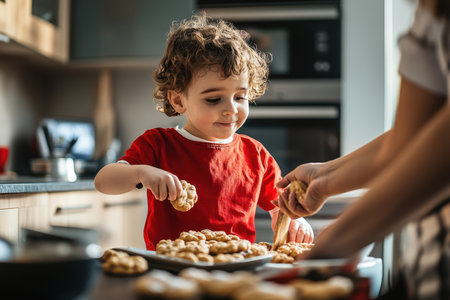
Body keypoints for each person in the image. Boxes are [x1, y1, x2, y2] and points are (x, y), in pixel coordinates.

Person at [275, 0, 449, 299]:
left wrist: (341, 239)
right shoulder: (431, 12)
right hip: (427, 269)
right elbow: (412, 139)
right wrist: (324, 178)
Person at [94, 14, 313, 250]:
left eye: (240, 97)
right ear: (178, 100)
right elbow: (103, 181)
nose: (231, 109)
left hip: (236, 267)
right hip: (172, 270)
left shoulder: (256, 155)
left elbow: (279, 207)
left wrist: (294, 220)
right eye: (214, 99)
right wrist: (141, 173)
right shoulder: (158, 144)